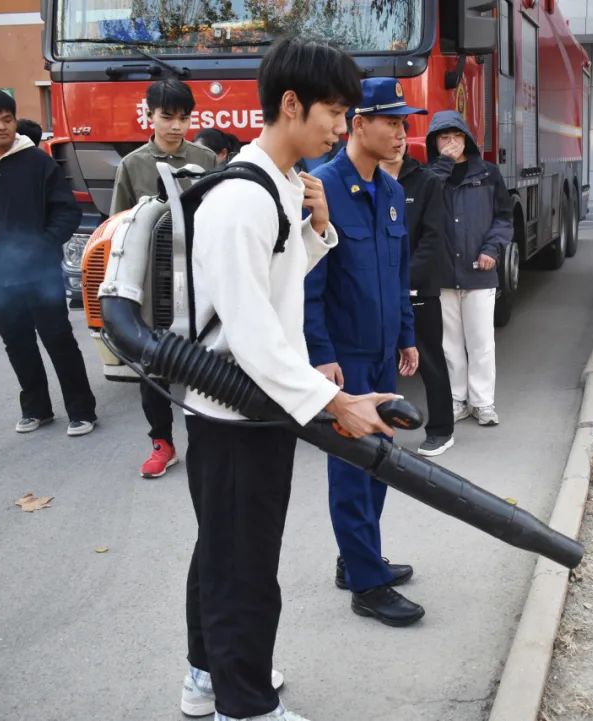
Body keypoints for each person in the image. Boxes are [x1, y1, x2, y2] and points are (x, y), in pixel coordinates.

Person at [181, 40, 396, 721]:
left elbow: (267, 289)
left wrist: (317, 232)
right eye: (335, 112)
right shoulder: (241, 198)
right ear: (292, 104)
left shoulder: (280, 185)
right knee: (242, 566)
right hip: (235, 411)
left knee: (222, 553)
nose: (341, 128)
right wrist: (335, 402)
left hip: (250, 405)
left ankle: (209, 675)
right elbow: (251, 333)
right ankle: (244, 704)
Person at [304, 77, 424, 627]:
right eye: (391, 123)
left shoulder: (393, 192)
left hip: (381, 352)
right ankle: (367, 586)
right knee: (353, 468)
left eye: (404, 124)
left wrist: (406, 335)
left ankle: (358, 558)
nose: (401, 133)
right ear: (359, 125)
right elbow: (308, 283)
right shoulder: (322, 188)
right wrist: (320, 353)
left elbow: (399, 276)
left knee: (381, 462)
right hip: (344, 357)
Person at [0, 90, 97, 435]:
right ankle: (36, 409)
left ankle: (82, 411)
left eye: (7, 119)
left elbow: (66, 212)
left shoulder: (39, 163)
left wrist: (43, 246)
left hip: (40, 273)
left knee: (58, 340)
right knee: (17, 343)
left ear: (15, 121)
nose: (2, 127)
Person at [111, 79, 217, 478]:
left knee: (203, 363)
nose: (176, 126)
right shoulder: (133, 165)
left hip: (200, 282)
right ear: (150, 116)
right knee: (152, 364)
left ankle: (205, 440)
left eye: (184, 118)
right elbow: (119, 227)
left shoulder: (206, 160)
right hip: (152, 285)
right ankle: (162, 442)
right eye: (167, 116)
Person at [425, 111, 512, 426]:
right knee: (449, 344)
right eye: (444, 138)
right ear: (434, 143)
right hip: (442, 273)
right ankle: (457, 400)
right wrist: (443, 167)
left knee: (481, 342)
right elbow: (422, 209)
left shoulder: (488, 174)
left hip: (478, 272)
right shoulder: (429, 176)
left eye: (457, 136)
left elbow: (504, 216)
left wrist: (492, 249)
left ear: (467, 139)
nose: (451, 143)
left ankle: (483, 402)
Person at [379, 126, 456, 456]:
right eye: (390, 133)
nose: (397, 141)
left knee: (429, 360)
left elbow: (432, 238)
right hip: (376, 291)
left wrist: (403, 280)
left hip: (417, 290)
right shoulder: (366, 181)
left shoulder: (426, 181)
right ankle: (377, 429)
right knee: (378, 361)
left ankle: (441, 429)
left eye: (401, 135)